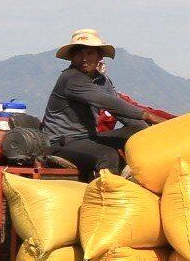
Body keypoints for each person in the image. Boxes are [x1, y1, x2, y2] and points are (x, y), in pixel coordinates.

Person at [41, 30, 168, 179]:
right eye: (79, 54)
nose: (84, 59)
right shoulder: (71, 78)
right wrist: (148, 116)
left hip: (89, 138)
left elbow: (122, 113)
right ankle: (107, 198)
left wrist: (154, 130)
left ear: (100, 56)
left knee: (139, 131)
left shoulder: (102, 81)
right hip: (62, 143)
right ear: (72, 58)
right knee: (108, 156)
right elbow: (107, 102)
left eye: (90, 53)